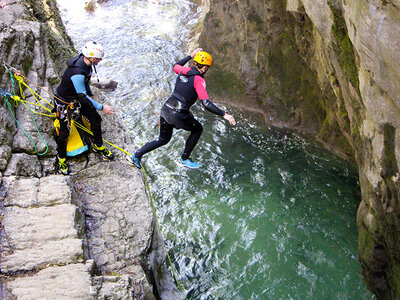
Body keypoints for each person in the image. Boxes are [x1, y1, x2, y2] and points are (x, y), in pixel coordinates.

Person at [130, 48, 236, 169]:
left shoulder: (184, 70)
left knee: (163, 139)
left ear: (195, 63)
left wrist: (190, 55)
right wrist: (224, 114)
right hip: (178, 114)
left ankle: (136, 155)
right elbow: (206, 103)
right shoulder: (199, 80)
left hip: (166, 108)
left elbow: (176, 66)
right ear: (205, 68)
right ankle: (184, 158)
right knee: (197, 129)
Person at [54, 41, 115, 175]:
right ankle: (61, 158)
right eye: (99, 58)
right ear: (92, 58)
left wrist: (91, 94)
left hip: (76, 98)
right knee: (65, 131)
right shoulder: (77, 71)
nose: (100, 60)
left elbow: (85, 83)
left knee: (95, 120)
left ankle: (98, 146)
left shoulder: (86, 64)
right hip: (64, 102)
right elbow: (82, 96)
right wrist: (101, 106)